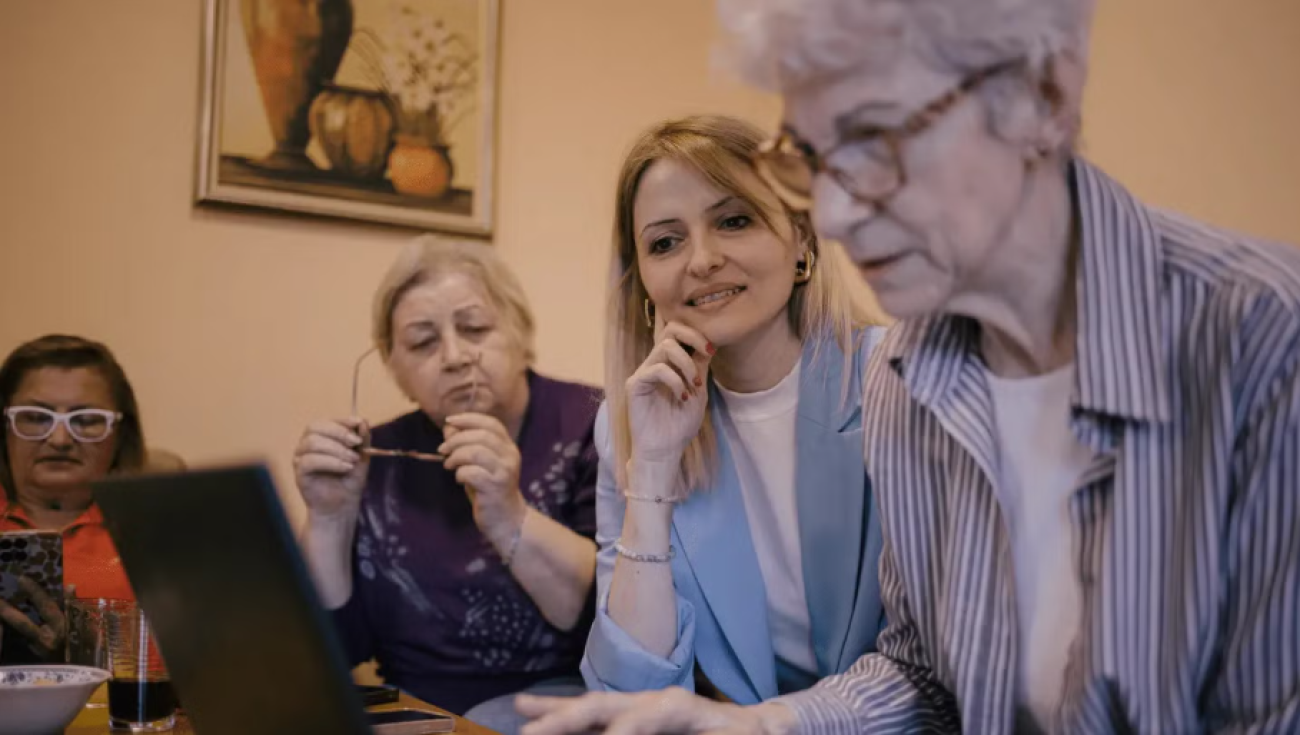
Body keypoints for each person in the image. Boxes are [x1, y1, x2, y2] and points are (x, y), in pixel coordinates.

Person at [518, 1, 1300, 733]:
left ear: (1045, 96)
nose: (836, 208)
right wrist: (759, 724)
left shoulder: (1263, 335)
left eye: (877, 138)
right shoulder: (913, 376)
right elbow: (924, 671)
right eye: (815, 157)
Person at [579, 115, 889, 705]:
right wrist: (652, 472)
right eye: (665, 242)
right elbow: (629, 691)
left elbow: (942, 667)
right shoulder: (629, 429)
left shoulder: (895, 381)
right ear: (642, 280)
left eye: (734, 220)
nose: (701, 261)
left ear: (801, 236)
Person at [294, 236, 601, 732]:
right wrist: (328, 519)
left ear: (521, 332)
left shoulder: (592, 423)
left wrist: (509, 514)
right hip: (411, 717)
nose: (455, 356)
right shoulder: (371, 456)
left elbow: (608, 620)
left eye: (474, 328)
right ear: (396, 368)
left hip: (557, 709)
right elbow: (334, 650)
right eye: (422, 342)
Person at [0, 334, 146, 663]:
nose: (60, 439)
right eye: (36, 418)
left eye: (86, 420)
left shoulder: (159, 532)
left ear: (120, 434)